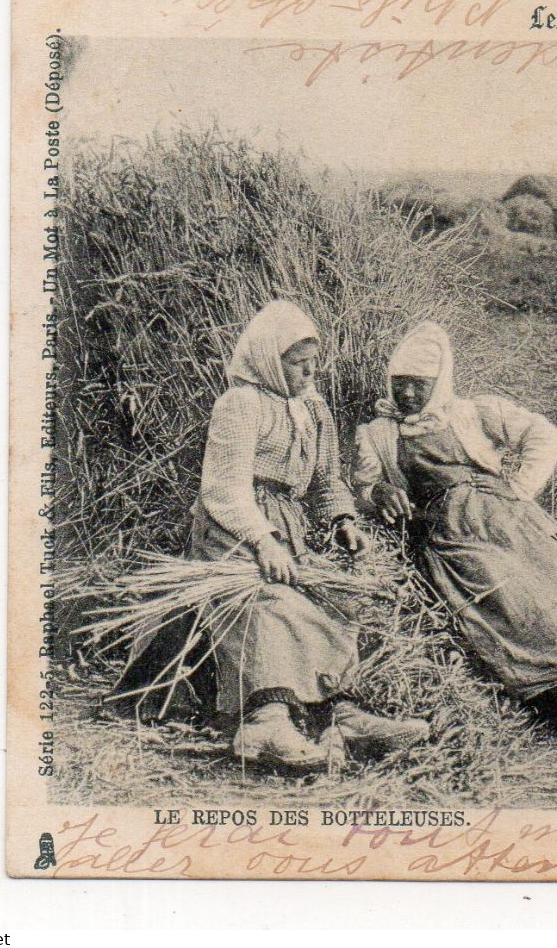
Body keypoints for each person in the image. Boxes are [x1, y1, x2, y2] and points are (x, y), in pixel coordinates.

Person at [114, 299, 429, 771]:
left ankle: (342, 715)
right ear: (268, 359)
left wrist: (344, 521)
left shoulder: (315, 408)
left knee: (338, 601)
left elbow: (326, 480)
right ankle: (265, 720)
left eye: (311, 364)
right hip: (231, 532)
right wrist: (262, 540)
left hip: (290, 530)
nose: (307, 373)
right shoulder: (240, 404)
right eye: (297, 364)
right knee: (267, 600)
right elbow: (223, 489)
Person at [354, 321, 557, 733]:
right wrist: (380, 493)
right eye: (398, 382)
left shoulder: (472, 412)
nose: (405, 393)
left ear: (439, 383)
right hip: (454, 531)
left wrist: (522, 488)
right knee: (508, 595)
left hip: (512, 516)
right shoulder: (379, 434)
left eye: (418, 384)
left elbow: (543, 434)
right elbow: (358, 490)